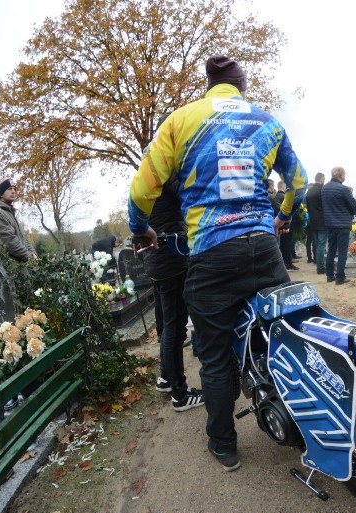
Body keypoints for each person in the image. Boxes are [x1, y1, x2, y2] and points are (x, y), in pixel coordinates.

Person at [129, 55, 307, 472]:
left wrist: (142, 229)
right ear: (241, 86)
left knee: (213, 356)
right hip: (264, 247)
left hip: (211, 253)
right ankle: (301, 421)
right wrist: (282, 216)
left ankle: (224, 446)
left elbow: (142, 190)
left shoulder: (180, 120)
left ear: (208, 86)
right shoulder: (267, 122)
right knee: (286, 334)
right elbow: (297, 182)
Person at [141, 167, 204, 412]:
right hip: (171, 259)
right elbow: (189, 194)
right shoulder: (163, 170)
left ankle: (166, 378)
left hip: (157, 260)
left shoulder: (145, 176)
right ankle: (180, 394)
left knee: (167, 324)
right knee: (174, 328)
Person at [0, 178, 37, 262]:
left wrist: (33, 253)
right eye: (9, 189)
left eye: (14, 189)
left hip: (22, 266)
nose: (13, 191)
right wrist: (30, 258)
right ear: (1, 194)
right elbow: (9, 242)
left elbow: (23, 239)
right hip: (10, 269)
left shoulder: (10, 214)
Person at [322, 166, 356, 285]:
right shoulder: (344, 189)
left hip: (330, 224)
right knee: (342, 251)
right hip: (342, 224)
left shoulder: (324, 189)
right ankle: (340, 277)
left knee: (331, 250)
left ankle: (329, 275)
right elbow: (354, 207)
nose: (345, 176)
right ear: (341, 175)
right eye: (344, 174)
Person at [305, 172, 327, 275]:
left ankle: (319, 265)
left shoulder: (309, 192)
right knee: (321, 245)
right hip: (322, 221)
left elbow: (308, 208)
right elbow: (325, 206)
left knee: (317, 244)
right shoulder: (322, 190)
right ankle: (320, 267)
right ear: (322, 179)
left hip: (313, 221)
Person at [277, 180, 298, 271]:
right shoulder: (284, 197)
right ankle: (288, 264)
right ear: (283, 186)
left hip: (279, 223)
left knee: (283, 245)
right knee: (287, 244)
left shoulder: (276, 197)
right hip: (286, 224)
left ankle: (286, 262)